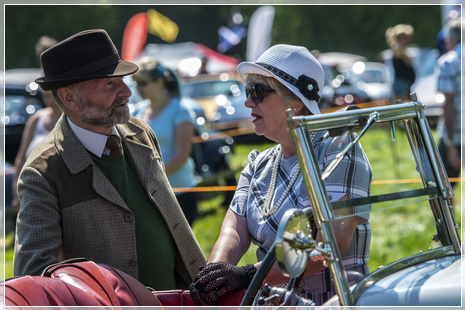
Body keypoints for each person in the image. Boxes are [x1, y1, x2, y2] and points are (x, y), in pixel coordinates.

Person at [13, 29, 206, 291]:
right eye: (109, 83)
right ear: (69, 97)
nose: (126, 91)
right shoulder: (43, 171)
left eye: (123, 80)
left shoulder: (141, 133)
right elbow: (34, 276)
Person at [189, 44, 373, 306]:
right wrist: (214, 276)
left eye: (258, 92)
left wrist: (249, 275)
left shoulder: (342, 148)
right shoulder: (257, 163)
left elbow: (330, 245)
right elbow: (234, 230)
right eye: (248, 90)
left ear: (296, 102)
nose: (248, 101)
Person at [131, 59, 198, 225]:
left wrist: (150, 179)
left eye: (143, 83)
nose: (138, 88)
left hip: (179, 191)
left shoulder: (181, 110)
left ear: (159, 82)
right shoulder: (137, 111)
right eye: (136, 83)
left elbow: (182, 155)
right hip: (149, 193)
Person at [11, 88, 62, 212]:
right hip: (32, 190)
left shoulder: (72, 120)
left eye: (53, 96)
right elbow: (21, 158)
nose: (50, 100)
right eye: (46, 96)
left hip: (60, 193)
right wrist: (16, 192)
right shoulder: (36, 120)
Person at [436, 18, 463, 194]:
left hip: (457, 134)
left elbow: (449, 104)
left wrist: (451, 144)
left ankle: (451, 222)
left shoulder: (448, 62)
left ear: (451, 39)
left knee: (443, 188)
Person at [385, 24, 416, 100]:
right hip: (400, 82)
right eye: (405, 37)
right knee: (403, 104)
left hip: (403, 81)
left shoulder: (400, 48)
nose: (408, 39)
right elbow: (409, 60)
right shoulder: (397, 47)